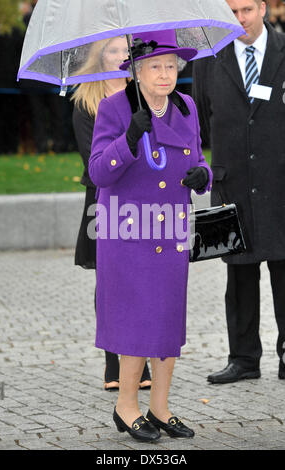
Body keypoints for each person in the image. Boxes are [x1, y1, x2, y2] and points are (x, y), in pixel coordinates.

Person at [88, 29, 212, 442]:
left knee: (166, 321)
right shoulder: (114, 107)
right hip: (129, 233)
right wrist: (127, 139)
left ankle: (159, 407)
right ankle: (126, 406)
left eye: (171, 66)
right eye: (155, 66)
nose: (165, 74)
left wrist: (202, 175)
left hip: (171, 231)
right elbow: (99, 172)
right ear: (137, 70)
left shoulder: (187, 106)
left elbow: (197, 159)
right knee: (134, 322)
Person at [192, 0, 285, 384]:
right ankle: (243, 358)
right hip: (230, 185)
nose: (240, 19)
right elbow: (197, 122)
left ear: (263, 7)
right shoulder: (207, 59)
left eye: (246, 9)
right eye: (231, 12)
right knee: (238, 277)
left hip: (280, 183)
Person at [72, 36, 151, 392]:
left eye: (126, 52)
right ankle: (113, 364)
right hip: (104, 201)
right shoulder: (85, 102)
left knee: (143, 281)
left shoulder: (145, 93)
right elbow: (94, 161)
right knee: (110, 283)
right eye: (113, 51)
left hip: (144, 201)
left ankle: (142, 362)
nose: (120, 57)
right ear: (99, 56)